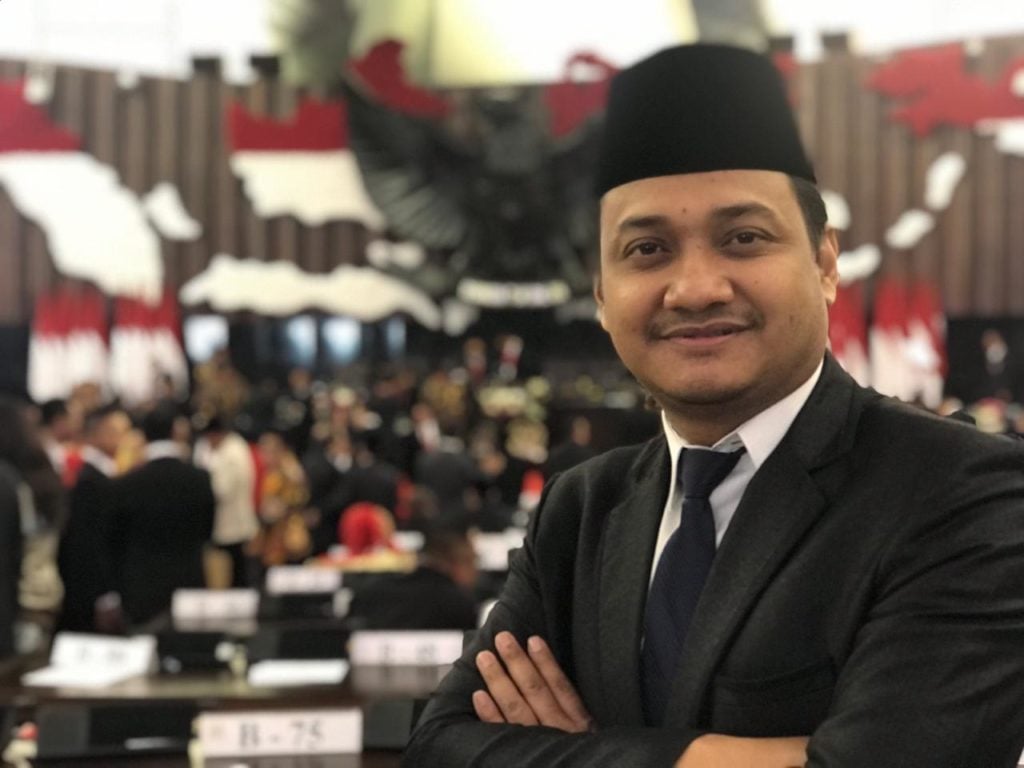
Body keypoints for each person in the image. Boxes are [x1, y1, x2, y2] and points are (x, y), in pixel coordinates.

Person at [405, 44, 1024, 767]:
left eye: (743, 238)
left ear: (825, 263)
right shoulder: (581, 512)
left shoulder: (958, 491)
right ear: (601, 295)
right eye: (647, 249)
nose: (696, 288)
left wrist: (579, 752)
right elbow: (438, 746)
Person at [109, 404, 215, 626]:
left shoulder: (126, 485)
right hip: (189, 582)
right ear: (176, 431)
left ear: (143, 436)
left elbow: (116, 540)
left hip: (141, 587)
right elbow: (208, 530)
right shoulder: (200, 479)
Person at [56, 403, 130, 632]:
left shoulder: (99, 477)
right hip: (90, 598)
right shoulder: (90, 481)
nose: (124, 439)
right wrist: (104, 594)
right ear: (98, 434)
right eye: (117, 432)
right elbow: (87, 544)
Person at [347, 525, 479, 631]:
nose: (476, 571)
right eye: (472, 561)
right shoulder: (459, 604)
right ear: (452, 562)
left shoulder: (372, 591)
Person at [194, 415, 258, 588]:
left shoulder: (233, 452)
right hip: (220, 524)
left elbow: (222, 490)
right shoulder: (211, 449)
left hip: (233, 525)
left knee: (237, 573)